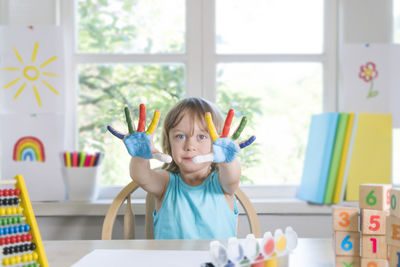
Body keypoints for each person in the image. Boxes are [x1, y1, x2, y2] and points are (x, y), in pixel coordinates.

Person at [107, 97, 255, 239]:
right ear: (169, 142)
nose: (190, 146)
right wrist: (140, 156)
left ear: (217, 143)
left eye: (201, 137)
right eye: (180, 136)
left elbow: (233, 177)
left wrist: (228, 161)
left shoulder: (222, 184)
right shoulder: (165, 183)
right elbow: (141, 176)